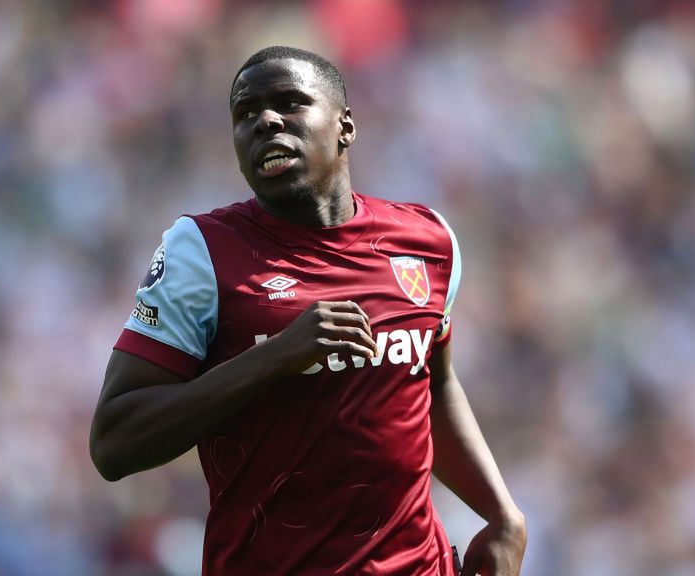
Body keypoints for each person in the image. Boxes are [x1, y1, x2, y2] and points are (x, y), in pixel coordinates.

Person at [89, 45, 526, 575]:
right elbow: (114, 442)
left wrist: (502, 515)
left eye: (290, 103)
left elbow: (431, 383)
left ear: (345, 127)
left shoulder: (426, 240)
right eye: (245, 113)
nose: (266, 121)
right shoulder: (202, 251)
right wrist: (274, 358)